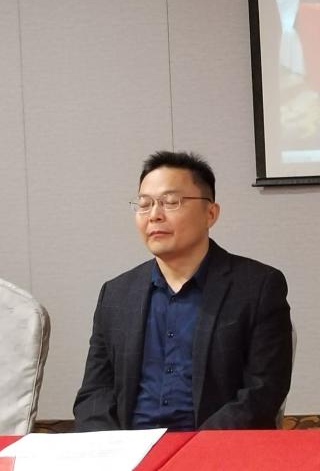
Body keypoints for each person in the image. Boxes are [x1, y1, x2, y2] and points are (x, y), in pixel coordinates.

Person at [74, 151, 293, 431]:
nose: (154, 215)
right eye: (144, 204)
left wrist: (195, 449)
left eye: (170, 202)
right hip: (130, 448)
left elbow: (262, 393)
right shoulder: (116, 294)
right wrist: (110, 446)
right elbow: (95, 393)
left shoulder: (258, 287)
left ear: (210, 213)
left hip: (213, 447)